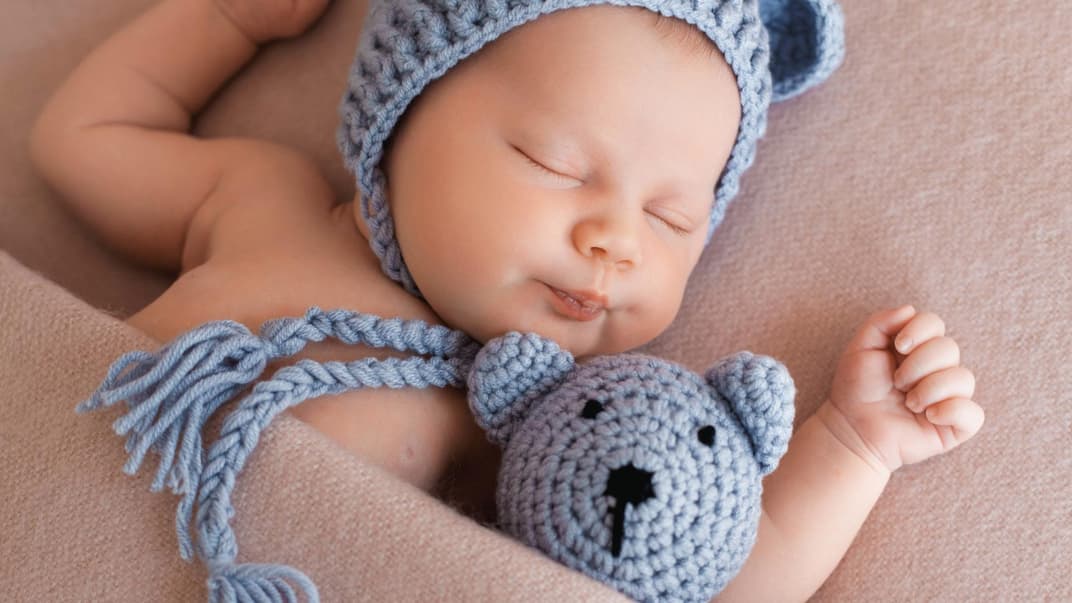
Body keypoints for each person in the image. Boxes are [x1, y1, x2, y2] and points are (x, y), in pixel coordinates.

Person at [29, 0, 984, 599]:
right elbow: (85, 139)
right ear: (400, 116)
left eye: (672, 216)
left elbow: (714, 574)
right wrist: (227, 20)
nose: (615, 238)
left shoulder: (538, 421)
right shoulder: (260, 199)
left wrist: (856, 445)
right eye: (554, 164)